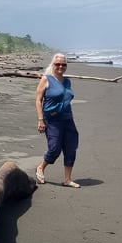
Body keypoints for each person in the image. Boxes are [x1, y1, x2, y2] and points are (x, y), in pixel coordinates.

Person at [35, 53, 80, 188]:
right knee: (54, 148)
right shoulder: (46, 79)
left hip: (68, 119)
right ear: (53, 65)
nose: (61, 66)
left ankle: (67, 179)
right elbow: (38, 100)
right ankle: (41, 167)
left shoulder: (67, 81)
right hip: (52, 120)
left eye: (63, 64)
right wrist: (41, 120)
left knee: (71, 148)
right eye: (58, 64)